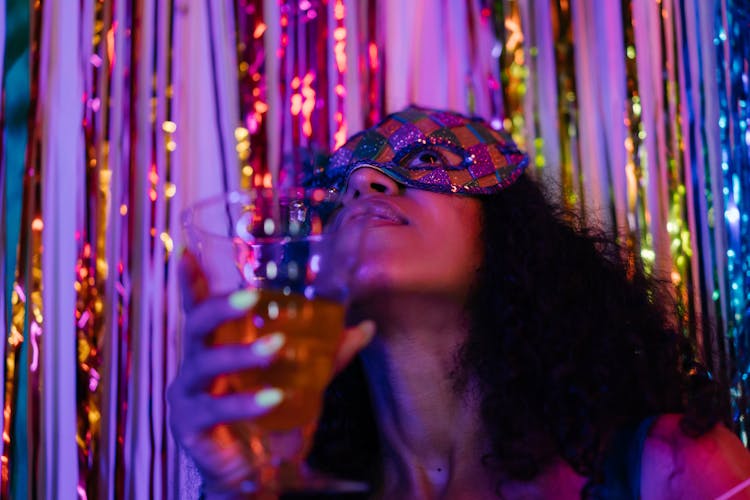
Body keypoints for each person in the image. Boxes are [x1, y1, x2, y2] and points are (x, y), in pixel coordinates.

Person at [169, 106, 750, 499]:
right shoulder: (297, 485)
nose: (365, 183)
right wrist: (239, 488)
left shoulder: (670, 469)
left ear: (508, 234)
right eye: (342, 184)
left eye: (424, 160)